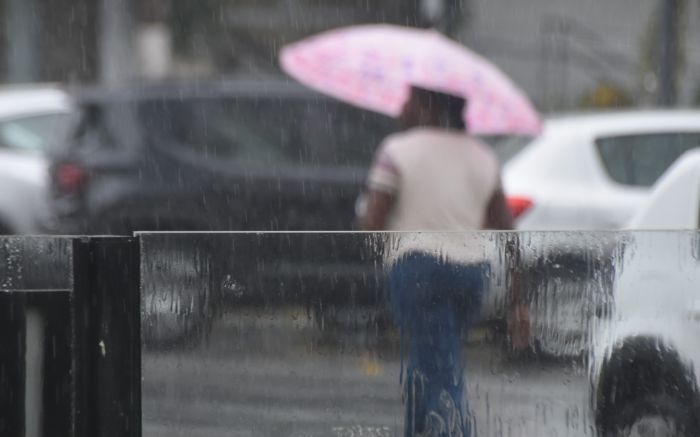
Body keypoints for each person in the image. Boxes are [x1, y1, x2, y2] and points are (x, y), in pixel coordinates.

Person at [360, 86, 514, 437]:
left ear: (428, 104)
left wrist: (367, 210)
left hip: (417, 270)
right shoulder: (482, 156)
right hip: (472, 274)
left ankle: (455, 432)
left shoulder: (397, 150)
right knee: (430, 362)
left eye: (409, 98)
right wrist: (519, 300)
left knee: (438, 371)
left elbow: (372, 224)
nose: (401, 106)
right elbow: (506, 227)